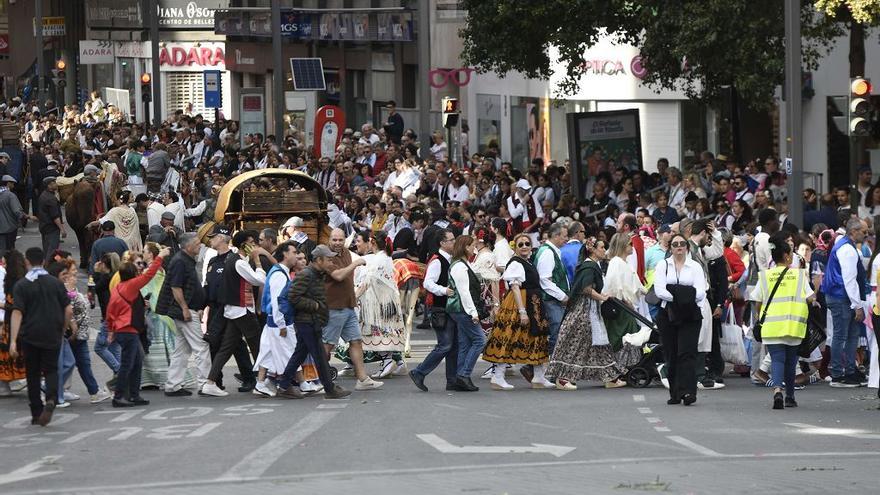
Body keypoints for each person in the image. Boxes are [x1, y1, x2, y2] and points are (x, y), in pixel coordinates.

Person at [275, 245, 351, 400]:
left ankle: (283, 386)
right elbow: (293, 297)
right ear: (318, 260)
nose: (331, 262)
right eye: (328, 259)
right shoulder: (306, 275)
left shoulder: (317, 274)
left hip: (312, 320)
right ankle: (330, 389)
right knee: (320, 356)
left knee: (300, 354)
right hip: (307, 321)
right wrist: (314, 306)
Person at [9, 247, 73, 425]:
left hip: (30, 335)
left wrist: (13, 341)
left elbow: (17, 313)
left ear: (27, 262)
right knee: (51, 369)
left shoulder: (21, 285)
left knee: (33, 373)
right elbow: (68, 309)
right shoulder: (55, 283)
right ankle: (52, 398)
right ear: (44, 262)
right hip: (52, 332)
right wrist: (63, 328)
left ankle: (36, 412)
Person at [201, 230, 268, 397]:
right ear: (244, 244)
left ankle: (210, 382)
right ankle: (263, 381)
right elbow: (259, 280)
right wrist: (258, 262)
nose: (254, 246)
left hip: (234, 311)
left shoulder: (234, 259)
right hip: (242, 310)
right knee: (258, 346)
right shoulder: (238, 262)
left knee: (226, 349)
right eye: (251, 242)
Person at [750, 233, 813, 409]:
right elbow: (810, 298)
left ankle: (777, 391)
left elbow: (757, 300)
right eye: (791, 254)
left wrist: (758, 316)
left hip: (771, 326)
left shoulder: (765, 276)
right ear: (786, 256)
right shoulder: (799, 276)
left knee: (777, 359)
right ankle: (790, 397)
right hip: (794, 327)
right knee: (791, 361)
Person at [483, 233, 552, 390]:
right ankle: (498, 376)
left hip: (533, 302)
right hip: (519, 302)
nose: (525, 247)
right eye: (520, 244)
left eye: (527, 243)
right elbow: (514, 287)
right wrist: (521, 311)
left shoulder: (527, 262)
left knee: (538, 337)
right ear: (515, 247)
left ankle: (539, 376)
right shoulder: (515, 263)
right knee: (510, 336)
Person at [105, 246, 170, 407]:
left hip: (123, 329)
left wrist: (111, 330)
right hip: (128, 330)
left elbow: (110, 310)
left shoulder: (119, 287)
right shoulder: (131, 286)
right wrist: (160, 256)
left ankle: (134, 395)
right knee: (129, 363)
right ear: (133, 274)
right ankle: (119, 396)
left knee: (137, 361)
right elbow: (150, 274)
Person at [323, 228, 383, 391]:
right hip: (333, 307)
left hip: (348, 306)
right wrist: (356, 263)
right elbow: (338, 276)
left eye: (340, 240)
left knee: (356, 341)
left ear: (344, 241)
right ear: (329, 240)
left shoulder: (347, 254)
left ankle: (363, 379)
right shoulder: (326, 255)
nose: (337, 243)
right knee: (327, 345)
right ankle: (316, 378)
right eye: (334, 240)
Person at [155, 233, 210, 396]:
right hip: (185, 312)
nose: (200, 246)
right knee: (201, 347)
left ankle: (173, 384)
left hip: (185, 310)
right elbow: (176, 287)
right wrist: (185, 308)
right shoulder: (180, 261)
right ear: (188, 246)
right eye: (197, 243)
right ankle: (205, 383)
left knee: (181, 350)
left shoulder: (184, 260)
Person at [654, 233, 707, 406]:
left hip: (690, 314)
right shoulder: (663, 265)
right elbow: (660, 290)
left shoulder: (695, 267)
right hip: (667, 314)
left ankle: (688, 392)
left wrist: (676, 292)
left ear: (687, 247)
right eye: (675, 244)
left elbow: (700, 292)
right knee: (671, 353)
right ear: (670, 247)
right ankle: (675, 392)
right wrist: (684, 294)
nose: (679, 247)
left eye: (682, 244)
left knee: (687, 352)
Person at [820, 218, 869, 387]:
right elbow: (850, 280)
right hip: (841, 297)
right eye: (864, 231)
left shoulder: (844, 245)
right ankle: (838, 373)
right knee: (842, 335)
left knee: (849, 335)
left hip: (840, 296)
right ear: (854, 231)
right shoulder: (847, 249)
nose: (866, 234)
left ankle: (848, 370)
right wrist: (857, 305)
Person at [409, 229, 458, 392]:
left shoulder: (451, 259)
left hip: (449, 307)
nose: (454, 242)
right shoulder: (437, 260)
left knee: (453, 346)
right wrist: (443, 290)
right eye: (451, 240)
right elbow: (428, 283)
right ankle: (419, 372)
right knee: (445, 345)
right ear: (442, 243)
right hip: (440, 307)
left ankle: (452, 380)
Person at [352, 231, 406, 377]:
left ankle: (387, 361)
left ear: (372, 242)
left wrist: (353, 297)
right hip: (385, 300)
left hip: (379, 303)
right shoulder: (385, 257)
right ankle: (389, 361)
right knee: (385, 333)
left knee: (379, 332)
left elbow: (366, 282)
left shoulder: (378, 259)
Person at [522, 222, 570, 383]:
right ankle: (542, 368)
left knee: (554, 335)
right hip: (550, 301)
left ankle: (535, 367)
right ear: (556, 236)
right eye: (564, 236)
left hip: (552, 300)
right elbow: (545, 280)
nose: (566, 239)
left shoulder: (550, 251)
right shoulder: (548, 253)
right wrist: (563, 296)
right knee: (556, 335)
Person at [253, 241, 300, 397]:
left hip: (274, 321)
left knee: (267, 351)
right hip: (279, 321)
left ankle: (260, 383)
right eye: (294, 252)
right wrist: (281, 324)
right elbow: (277, 301)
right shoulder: (279, 274)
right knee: (291, 351)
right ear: (285, 254)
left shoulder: (280, 271)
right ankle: (303, 383)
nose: (297, 256)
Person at [446, 235, 487, 391]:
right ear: (465, 247)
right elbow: (464, 292)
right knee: (479, 340)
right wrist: (473, 313)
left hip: (460, 309)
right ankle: (464, 374)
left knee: (465, 343)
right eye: (472, 246)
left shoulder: (461, 264)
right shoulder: (459, 266)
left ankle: (460, 377)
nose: (474, 249)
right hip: (462, 309)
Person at [0, 251, 26, 396]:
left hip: (15, 324)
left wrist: (2, 305)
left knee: (13, 352)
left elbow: (17, 307)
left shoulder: (16, 283)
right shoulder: (16, 280)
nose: (3, 265)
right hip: (12, 323)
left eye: (5, 263)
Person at [37, 176, 66, 262]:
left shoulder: (43, 195)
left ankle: (46, 267)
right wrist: (62, 229)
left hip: (44, 226)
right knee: (52, 251)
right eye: (53, 183)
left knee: (46, 250)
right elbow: (55, 216)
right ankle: (49, 269)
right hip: (51, 228)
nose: (55, 184)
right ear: (48, 186)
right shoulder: (50, 198)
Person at [0, 175, 24, 255]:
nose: (13, 185)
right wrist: (24, 216)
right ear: (8, 183)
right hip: (9, 227)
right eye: (12, 183)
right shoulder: (10, 196)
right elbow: (17, 211)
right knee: (9, 250)